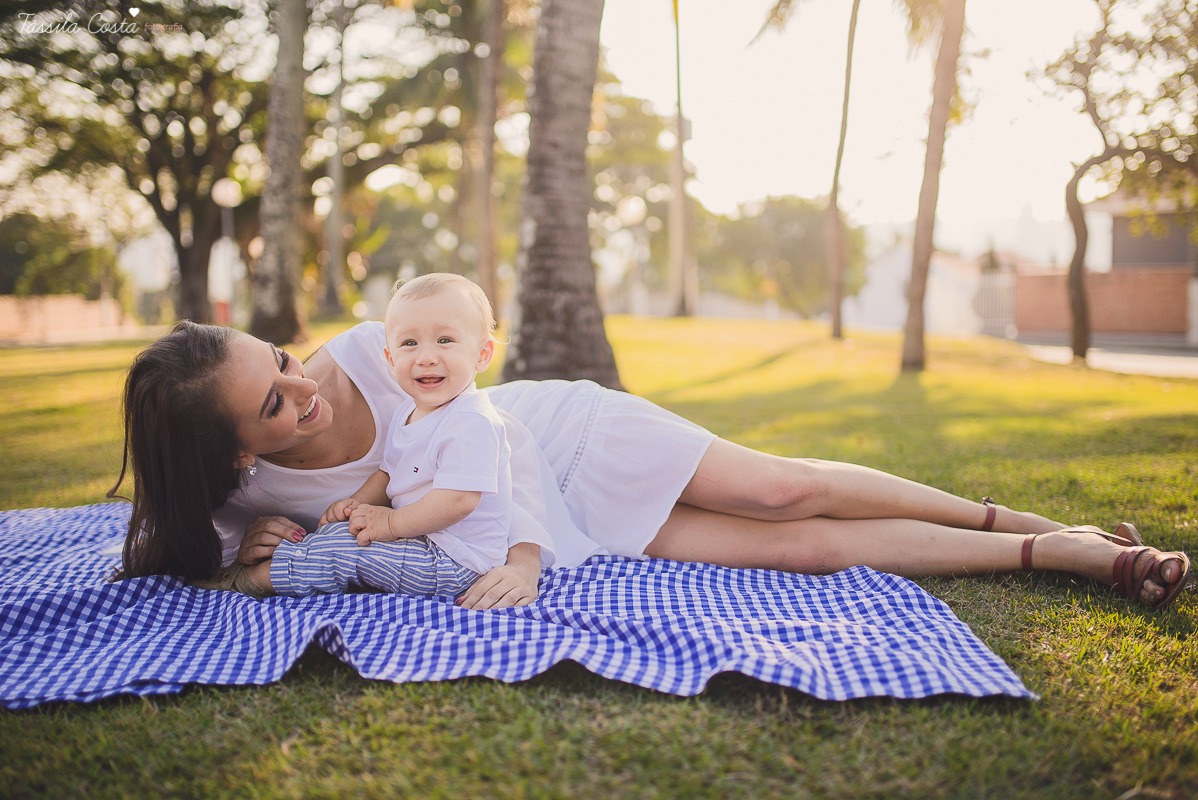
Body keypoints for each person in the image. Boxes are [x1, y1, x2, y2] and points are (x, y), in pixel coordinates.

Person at [110, 314, 1191, 613]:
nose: (307, 388)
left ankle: (1011, 519)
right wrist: (264, 544)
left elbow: (495, 446)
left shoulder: (368, 353)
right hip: (567, 523)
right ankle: (1061, 555)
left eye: (284, 359)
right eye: (274, 402)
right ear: (229, 449)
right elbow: (216, 560)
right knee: (802, 551)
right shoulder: (237, 495)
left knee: (780, 487)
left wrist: (525, 551)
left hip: (559, 441)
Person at [194, 274, 514, 599]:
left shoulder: (471, 419)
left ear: (483, 354)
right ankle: (289, 564)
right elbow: (389, 473)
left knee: (344, 551)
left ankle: (256, 580)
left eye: (445, 340)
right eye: (409, 344)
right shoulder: (410, 412)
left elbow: (459, 500)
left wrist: (391, 523)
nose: (426, 357)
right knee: (341, 533)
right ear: (390, 360)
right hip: (426, 541)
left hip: (459, 561)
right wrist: (355, 504)